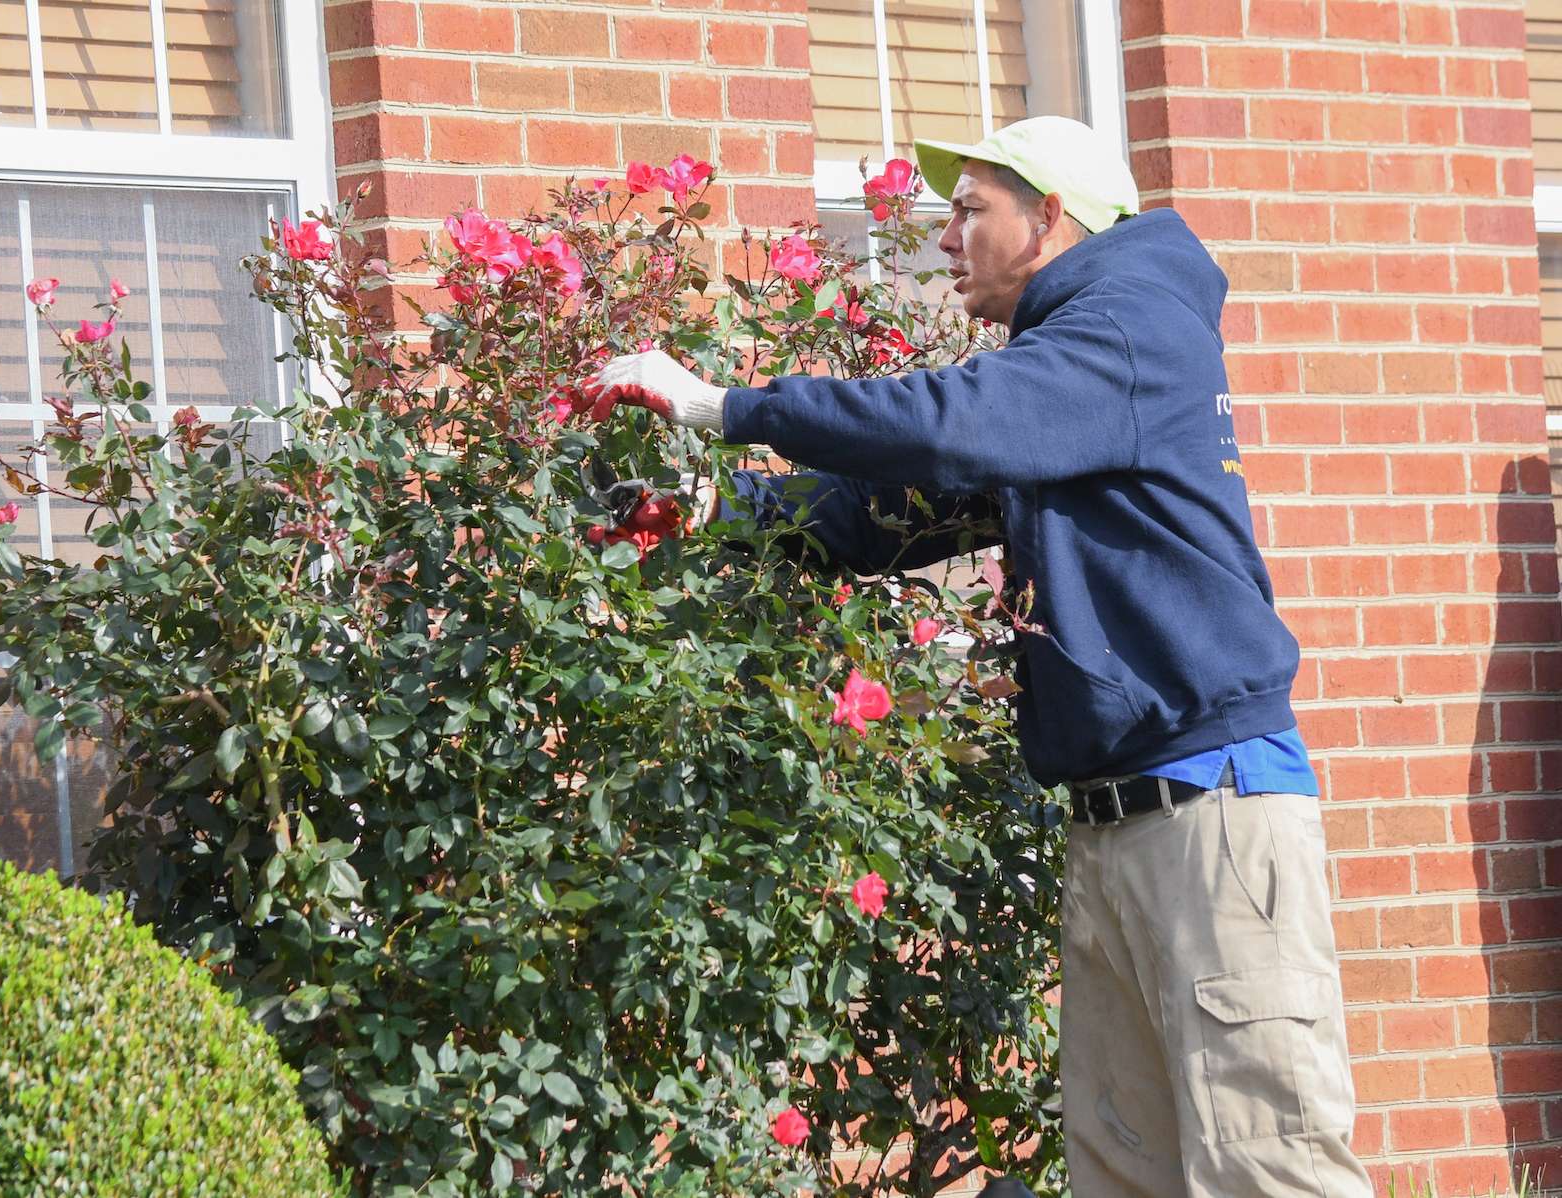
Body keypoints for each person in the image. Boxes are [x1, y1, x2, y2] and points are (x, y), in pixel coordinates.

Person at [586, 116, 1372, 1198]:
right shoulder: (1063, 369)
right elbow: (891, 509)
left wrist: (724, 405)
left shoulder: (1132, 324)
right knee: (1124, 1179)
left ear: (1049, 218)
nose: (946, 239)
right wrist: (716, 510)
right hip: (1116, 827)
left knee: (1269, 1172)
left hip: (1214, 820)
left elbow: (952, 424)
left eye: (970, 211)